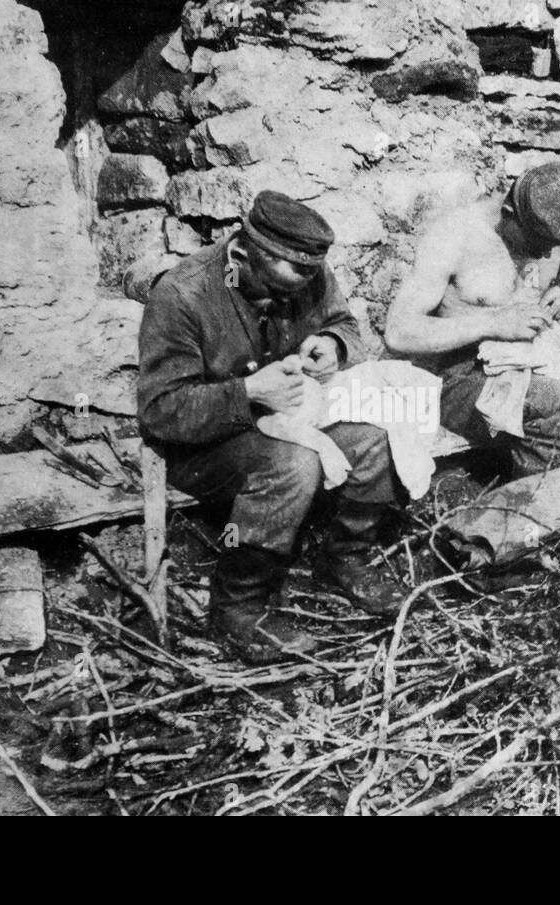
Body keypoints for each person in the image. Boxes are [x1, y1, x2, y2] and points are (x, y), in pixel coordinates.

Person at [137, 191, 405, 664]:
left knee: (372, 440)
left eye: (308, 277)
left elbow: (344, 323)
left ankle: (345, 556)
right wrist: (247, 393)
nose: (298, 292)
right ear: (241, 256)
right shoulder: (183, 294)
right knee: (293, 465)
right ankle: (238, 606)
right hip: (205, 446)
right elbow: (161, 412)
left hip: (287, 421)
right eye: (280, 290)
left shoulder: (305, 272)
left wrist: (331, 343)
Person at [384, 161, 560, 477]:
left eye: (554, 247)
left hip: (543, 358)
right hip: (466, 375)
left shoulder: (548, 226)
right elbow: (399, 331)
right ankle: (559, 512)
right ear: (510, 214)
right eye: (539, 245)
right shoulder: (456, 235)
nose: (546, 256)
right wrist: (492, 322)